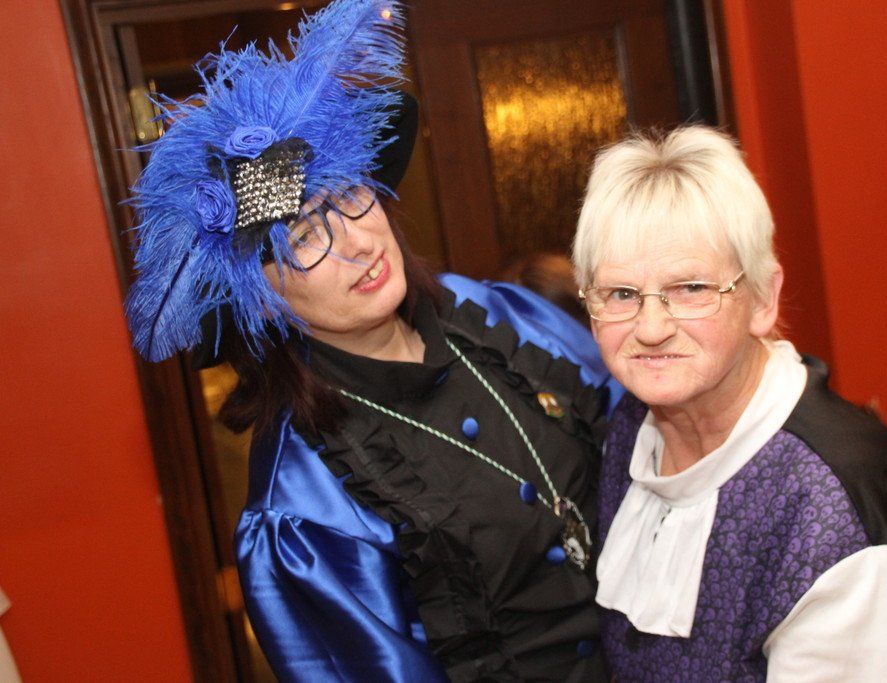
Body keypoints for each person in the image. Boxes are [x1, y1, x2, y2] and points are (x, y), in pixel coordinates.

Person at [124, 2, 615, 680]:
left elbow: (647, 434)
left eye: (351, 196)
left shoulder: (496, 317)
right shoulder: (303, 509)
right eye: (304, 237)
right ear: (262, 301)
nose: (356, 242)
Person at [572, 126, 887, 681]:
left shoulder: (835, 499)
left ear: (762, 298)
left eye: (691, 288)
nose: (651, 328)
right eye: (621, 294)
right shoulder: (632, 431)